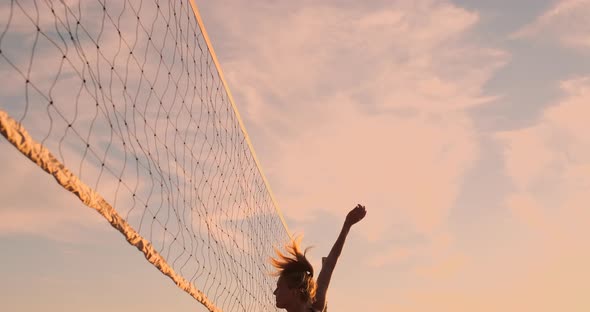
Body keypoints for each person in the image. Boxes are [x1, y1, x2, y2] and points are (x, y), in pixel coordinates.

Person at [271, 204, 367, 312]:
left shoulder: (316, 305)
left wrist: (347, 225)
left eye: (279, 287)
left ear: (295, 291)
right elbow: (329, 265)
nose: (275, 292)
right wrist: (347, 225)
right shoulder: (316, 304)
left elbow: (330, 264)